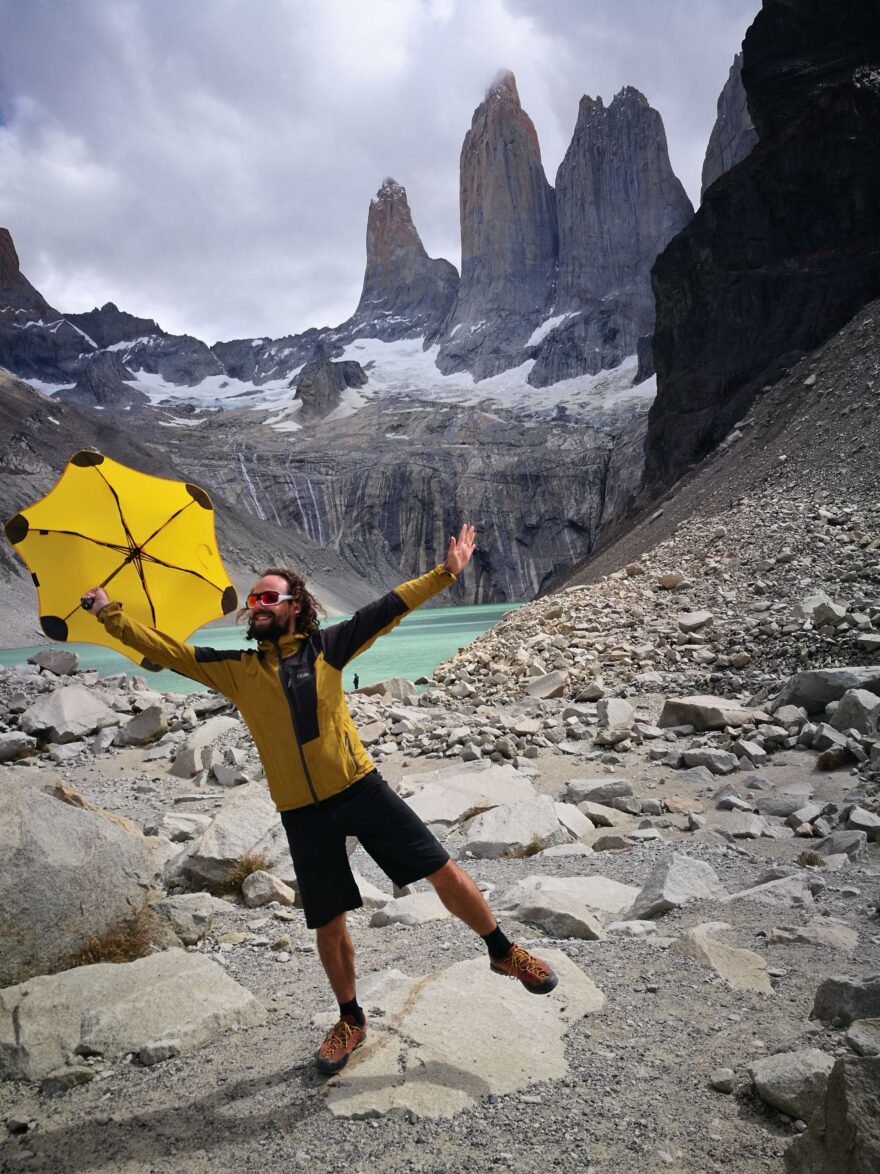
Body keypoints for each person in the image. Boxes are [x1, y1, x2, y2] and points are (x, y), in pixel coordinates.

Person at [82, 524, 557, 1075]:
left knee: (442, 871)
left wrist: (446, 573)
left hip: (360, 788)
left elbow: (387, 607)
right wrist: (107, 612)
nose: (257, 606)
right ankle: (351, 1019)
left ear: (295, 606)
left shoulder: (328, 647)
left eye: (268, 598)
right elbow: (167, 650)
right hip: (302, 812)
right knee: (327, 922)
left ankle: (503, 951)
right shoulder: (238, 672)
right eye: (253, 599)